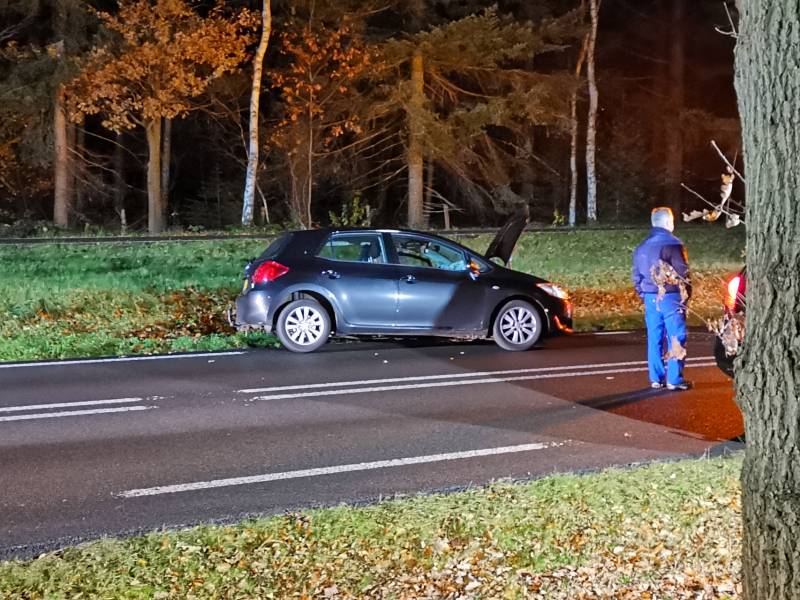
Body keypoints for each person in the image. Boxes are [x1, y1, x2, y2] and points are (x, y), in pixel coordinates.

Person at [632, 207, 692, 391]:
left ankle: (656, 378)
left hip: (651, 297)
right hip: (671, 295)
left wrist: (643, 293)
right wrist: (686, 295)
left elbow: (636, 276)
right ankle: (674, 378)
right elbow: (683, 274)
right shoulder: (673, 244)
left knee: (655, 337)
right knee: (676, 335)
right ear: (668, 222)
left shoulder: (641, 247)